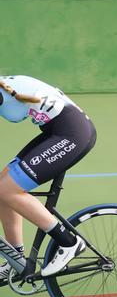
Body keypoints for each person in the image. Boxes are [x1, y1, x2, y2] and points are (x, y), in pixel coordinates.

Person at [0, 76, 97, 280]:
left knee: (7, 189)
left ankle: (68, 243)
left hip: (72, 134)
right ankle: (16, 261)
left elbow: (15, 113)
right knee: (1, 189)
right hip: (58, 131)